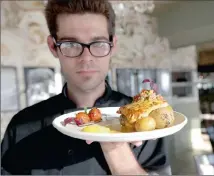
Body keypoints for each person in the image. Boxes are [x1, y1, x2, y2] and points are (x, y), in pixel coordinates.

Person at [1, 0, 171, 175]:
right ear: (53, 46)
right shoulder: (21, 126)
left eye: (98, 43)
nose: (86, 58)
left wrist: (118, 150)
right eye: (71, 44)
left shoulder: (144, 120)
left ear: (113, 45)